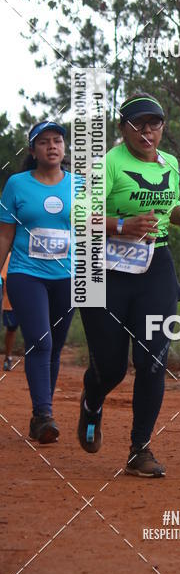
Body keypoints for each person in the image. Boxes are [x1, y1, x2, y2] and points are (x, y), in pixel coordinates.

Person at [77, 94, 180, 477]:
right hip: (102, 268)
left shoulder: (169, 164)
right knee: (112, 367)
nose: (146, 131)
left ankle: (140, 449)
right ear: (123, 129)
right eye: (137, 124)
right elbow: (80, 215)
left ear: (163, 128)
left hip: (155, 265)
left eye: (154, 124)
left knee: (153, 360)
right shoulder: (107, 164)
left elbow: (171, 207)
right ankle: (92, 402)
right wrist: (120, 226)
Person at [0, 121, 76, 442]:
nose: (52, 146)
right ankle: (44, 415)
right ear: (32, 151)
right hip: (25, 274)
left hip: (68, 278)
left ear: (65, 147)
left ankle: (41, 414)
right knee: (40, 342)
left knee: (55, 347)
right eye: (43, 142)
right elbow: (5, 234)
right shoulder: (17, 185)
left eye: (57, 140)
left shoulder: (80, 186)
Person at [1, 252, 19, 371]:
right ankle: (8, 357)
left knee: (32, 331)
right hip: (10, 302)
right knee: (11, 329)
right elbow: (3, 279)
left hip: (31, 302)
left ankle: (33, 357)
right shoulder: (8, 257)